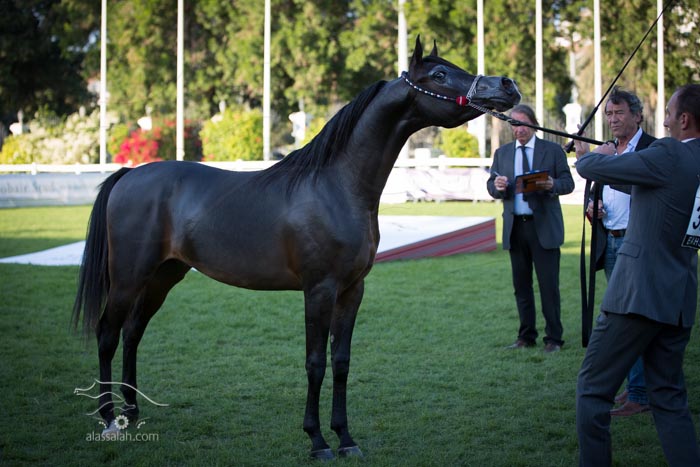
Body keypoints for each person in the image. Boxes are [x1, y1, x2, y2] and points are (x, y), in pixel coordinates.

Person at [574, 84, 700, 467]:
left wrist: (592, 156)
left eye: (669, 113)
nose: (664, 121)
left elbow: (590, 168)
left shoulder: (669, 151)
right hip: (679, 297)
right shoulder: (689, 161)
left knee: (592, 389)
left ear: (684, 119)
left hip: (638, 294)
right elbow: (649, 187)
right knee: (669, 397)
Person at [577, 87, 656, 417]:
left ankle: (640, 392)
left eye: (619, 112)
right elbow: (598, 190)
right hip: (609, 240)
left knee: (634, 320)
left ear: (637, 115)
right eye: (609, 114)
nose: (612, 119)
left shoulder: (651, 149)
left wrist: (601, 158)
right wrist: (592, 206)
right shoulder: (609, 149)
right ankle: (636, 387)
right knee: (624, 319)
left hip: (637, 244)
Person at [487, 104, 575, 353]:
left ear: (534, 124)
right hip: (516, 228)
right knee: (522, 287)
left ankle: (554, 339)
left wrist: (551, 184)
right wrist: (497, 186)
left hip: (544, 228)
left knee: (549, 286)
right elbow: (491, 186)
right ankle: (526, 336)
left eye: (523, 124)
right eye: (514, 124)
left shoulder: (553, 151)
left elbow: (568, 183)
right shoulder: (502, 153)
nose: (518, 129)